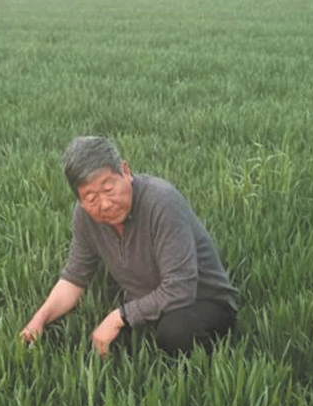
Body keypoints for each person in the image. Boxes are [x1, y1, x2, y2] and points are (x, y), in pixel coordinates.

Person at [20, 136, 237, 357]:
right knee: (88, 316)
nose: (105, 204)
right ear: (80, 201)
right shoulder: (85, 217)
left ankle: (210, 362)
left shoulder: (162, 203)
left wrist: (118, 318)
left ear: (125, 171)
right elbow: (74, 278)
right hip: (148, 297)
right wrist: (40, 319)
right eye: (91, 198)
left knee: (176, 332)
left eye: (108, 190)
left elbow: (180, 288)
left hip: (201, 299)